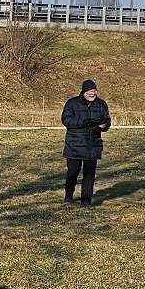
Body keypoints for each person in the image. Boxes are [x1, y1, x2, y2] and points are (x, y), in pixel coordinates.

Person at [61, 78, 111, 206]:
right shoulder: (72, 103)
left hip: (92, 145)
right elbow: (66, 121)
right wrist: (84, 123)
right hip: (74, 145)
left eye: (94, 90)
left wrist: (104, 126)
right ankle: (68, 195)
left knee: (89, 175)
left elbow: (107, 120)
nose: (92, 93)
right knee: (72, 173)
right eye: (89, 91)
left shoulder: (101, 104)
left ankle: (86, 200)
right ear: (83, 91)